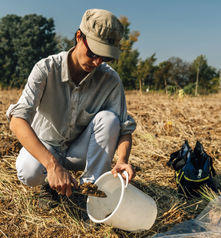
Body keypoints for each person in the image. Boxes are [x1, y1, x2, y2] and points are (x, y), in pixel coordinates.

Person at [6, 9, 136, 209]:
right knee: (28, 171)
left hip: (80, 150)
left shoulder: (110, 80)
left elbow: (124, 129)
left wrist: (122, 159)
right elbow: (17, 120)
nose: (97, 62)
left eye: (105, 57)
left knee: (110, 119)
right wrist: (52, 165)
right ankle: (51, 184)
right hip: (46, 147)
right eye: (93, 53)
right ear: (78, 37)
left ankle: (90, 190)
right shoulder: (46, 69)